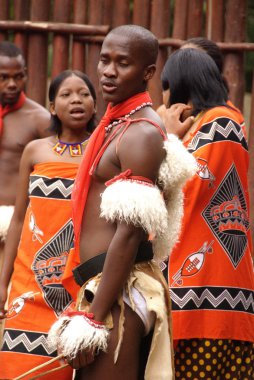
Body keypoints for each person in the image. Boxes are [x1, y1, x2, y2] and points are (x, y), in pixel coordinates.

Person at [47, 25, 196, 380]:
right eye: (105, 60)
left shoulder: (141, 133)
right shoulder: (118, 123)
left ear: (147, 73)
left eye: (123, 63)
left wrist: (92, 320)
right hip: (106, 287)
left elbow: (129, 236)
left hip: (119, 294)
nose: (109, 71)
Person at [161, 48, 254, 379]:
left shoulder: (222, 122)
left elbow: (188, 187)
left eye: (167, 87)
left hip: (208, 283)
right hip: (196, 276)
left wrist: (168, 136)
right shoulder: (204, 122)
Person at [0, 70, 97, 379]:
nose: (76, 100)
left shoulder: (104, 153)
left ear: (96, 103)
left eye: (83, 93)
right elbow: (18, 220)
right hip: (28, 284)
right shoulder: (35, 150)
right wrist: (3, 284)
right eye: (66, 95)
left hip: (78, 286)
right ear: (52, 107)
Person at [0, 41, 50, 270]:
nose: (12, 84)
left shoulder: (39, 118)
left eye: (18, 77)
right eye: (3, 77)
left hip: (14, 226)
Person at [158, 37, 247, 139]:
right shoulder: (166, 113)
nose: (180, 63)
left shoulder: (221, 121)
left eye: (191, 60)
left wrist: (172, 137)